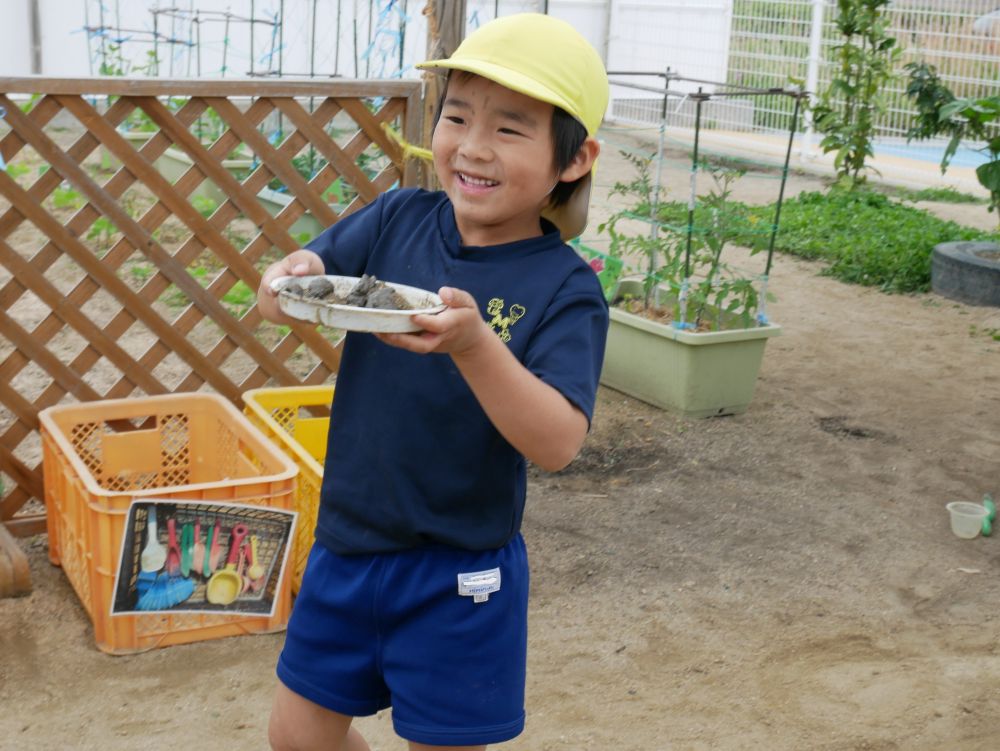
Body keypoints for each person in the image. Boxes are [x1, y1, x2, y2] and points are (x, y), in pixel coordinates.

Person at [258, 12, 610, 751]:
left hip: (461, 570)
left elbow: (558, 443)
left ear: (572, 160)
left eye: (511, 130)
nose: (473, 146)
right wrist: (289, 275)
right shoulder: (397, 218)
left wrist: (476, 345)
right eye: (456, 115)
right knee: (297, 737)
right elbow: (303, 282)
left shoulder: (564, 287)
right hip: (348, 541)